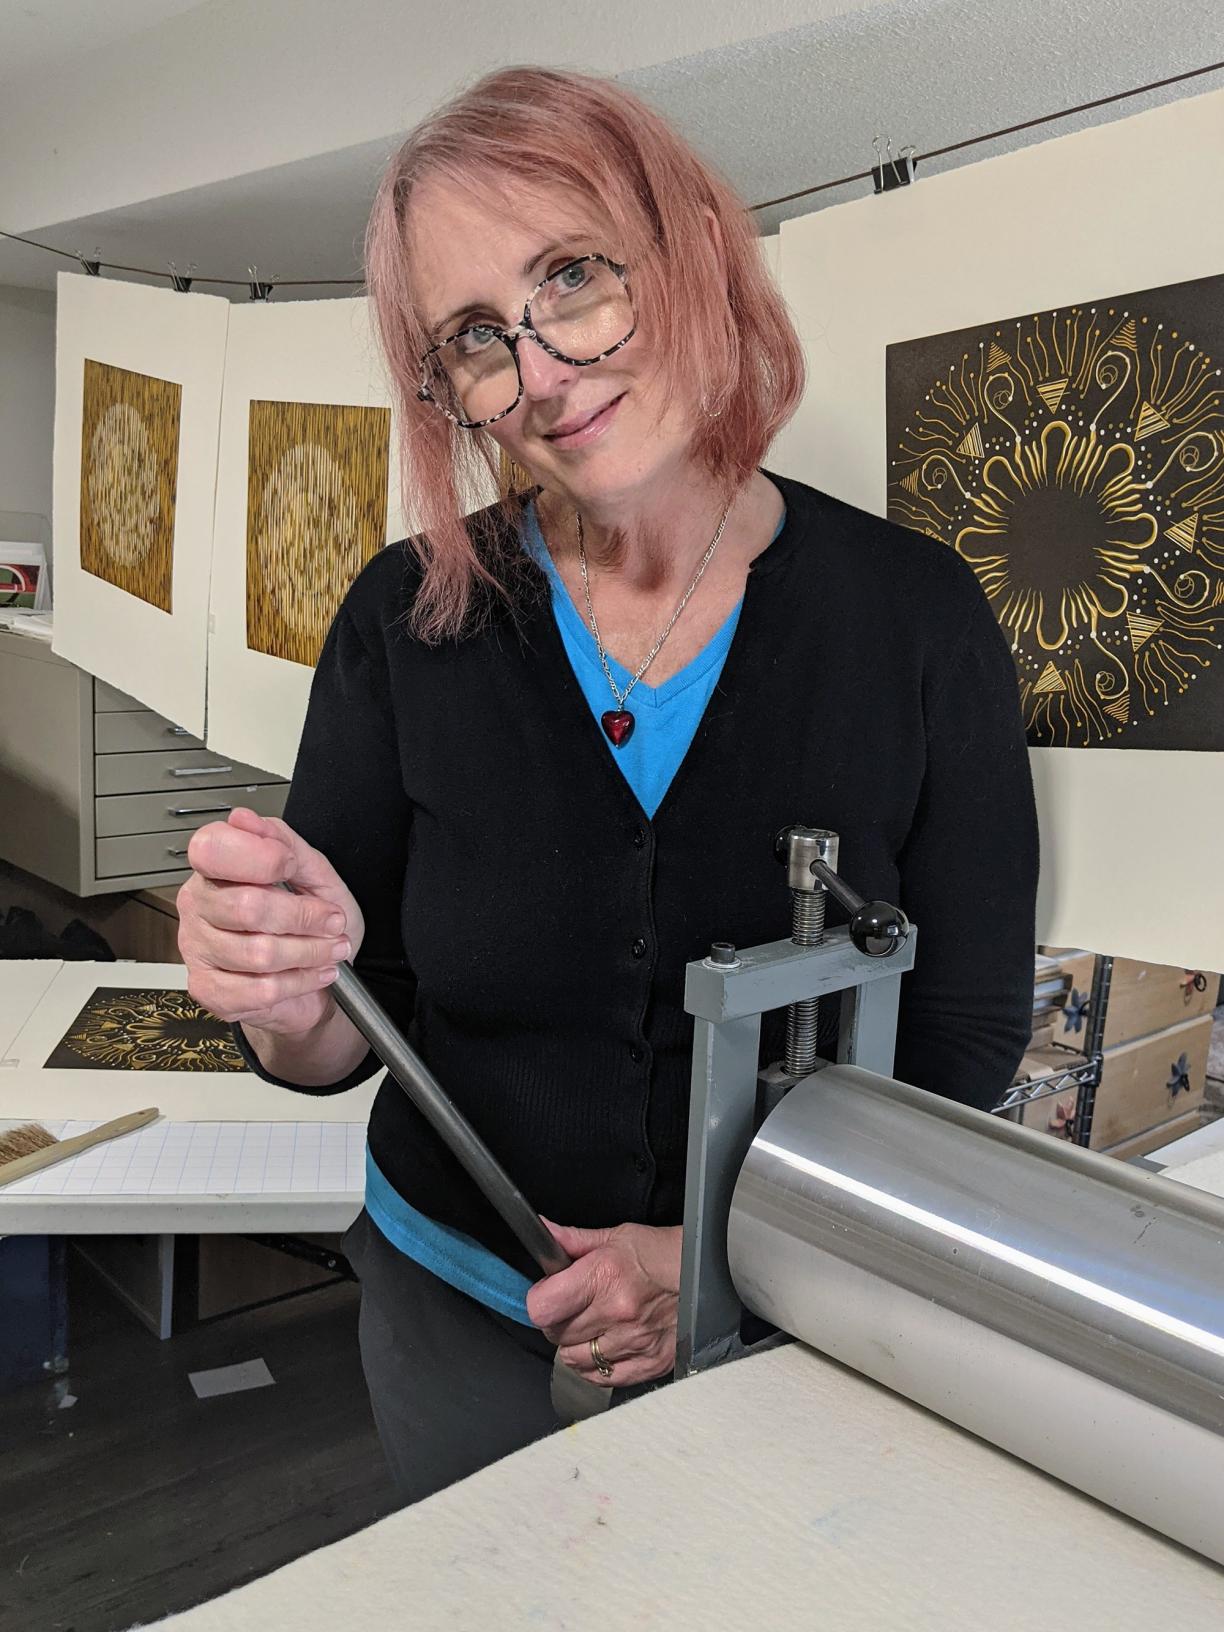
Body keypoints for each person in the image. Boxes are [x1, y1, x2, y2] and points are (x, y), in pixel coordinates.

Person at [177, 65, 1039, 1503]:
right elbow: (343, 1029)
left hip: (799, 1315)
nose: (541, 372)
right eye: (474, 336)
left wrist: (722, 1249)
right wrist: (277, 990)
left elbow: (965, 1029)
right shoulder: (406, 619)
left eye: (573, 277)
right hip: (456, 1305)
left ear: (692, 252)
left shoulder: (917, 617)